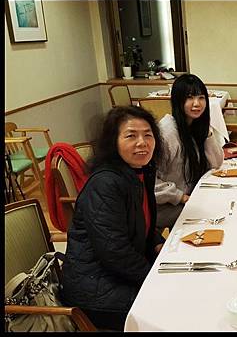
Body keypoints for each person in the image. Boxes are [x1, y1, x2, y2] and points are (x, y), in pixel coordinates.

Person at [61, 106, 166, 330]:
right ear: (113, 142)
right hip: (94, 289)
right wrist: (154, 278)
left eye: (148, 135)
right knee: (170, 304)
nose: (142, 142)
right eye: (131, 135)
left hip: (117, 273)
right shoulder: (106, 183)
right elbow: (114, 252)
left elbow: (140, 221)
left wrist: (157, 242)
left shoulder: (139, 171)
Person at [154, 74, 224, 230]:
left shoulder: (194, 126)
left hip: (192, 196)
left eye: (201, 98)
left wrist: (207, 132)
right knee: (222, 214)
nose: (196, 104)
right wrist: (181, 197)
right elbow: (150, 181)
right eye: (189, 98)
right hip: (167, 207)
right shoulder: (167, 133)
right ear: (178, 101)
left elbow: (217, 162)